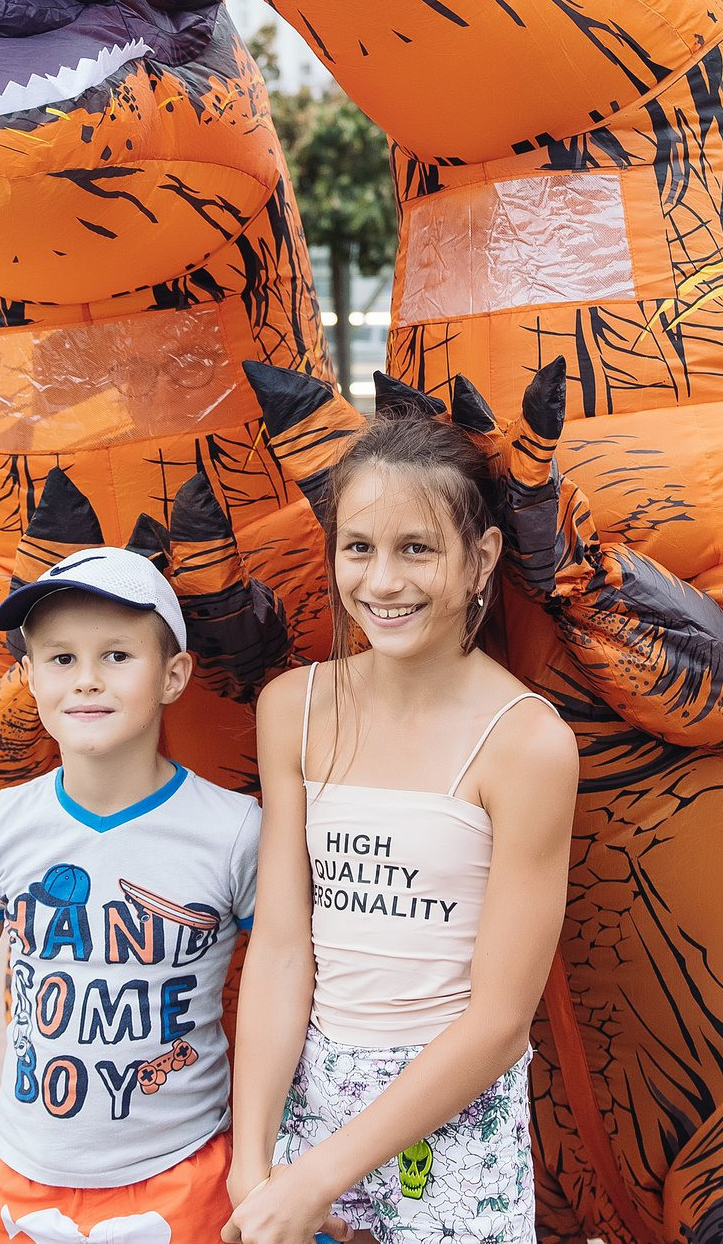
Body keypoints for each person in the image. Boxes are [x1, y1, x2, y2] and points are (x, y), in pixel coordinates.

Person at [227, 410, 577, 1244]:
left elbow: (497, 1023)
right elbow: (281, 947)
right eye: (359, 547)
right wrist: (255, 1158)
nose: (382, 581)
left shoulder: (528, 743)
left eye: (416, 547)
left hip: (453, 1130)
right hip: (307, 1111)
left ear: (480, 558)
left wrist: (319, 1176)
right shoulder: (293, 710)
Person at [0, 546, 259, 1244]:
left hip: (183, 1183)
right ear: (30, 677)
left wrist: (261, 1165)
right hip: (20, 1185)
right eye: (61, 658)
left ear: (173, 674)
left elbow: (286, 1005)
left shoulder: (234, 830)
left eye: (117, 656)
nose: (87, 680)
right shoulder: (3, 826)